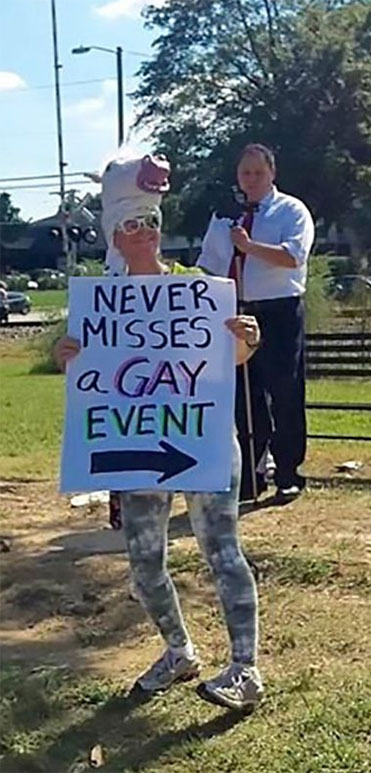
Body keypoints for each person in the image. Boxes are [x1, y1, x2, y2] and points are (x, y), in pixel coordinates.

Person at [54, 151, 265, 711]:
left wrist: (247, 338)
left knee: (223, 552)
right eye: (131, 224)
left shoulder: (199, 289)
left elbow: (233, 358)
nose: (144, 231)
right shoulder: (100, 304)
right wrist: (65, 353)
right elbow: (86, 373)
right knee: (145, 564)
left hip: (203, 441)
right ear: (113, 237)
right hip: (136, 448)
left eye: (150, 220)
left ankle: (245, 669)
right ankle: (179, 651)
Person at [198, 144, 315, 502]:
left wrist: (249, 247)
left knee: (284, 391)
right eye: (245, 173)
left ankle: (288, 472)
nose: (251, 180)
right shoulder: (224, 216)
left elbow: (293, 257)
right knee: (245, 397)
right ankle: (251, 473)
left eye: (258, 173)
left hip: (278, 310)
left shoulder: (291, 210)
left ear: (272, 173)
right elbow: (208, 263)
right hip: (235, 309)